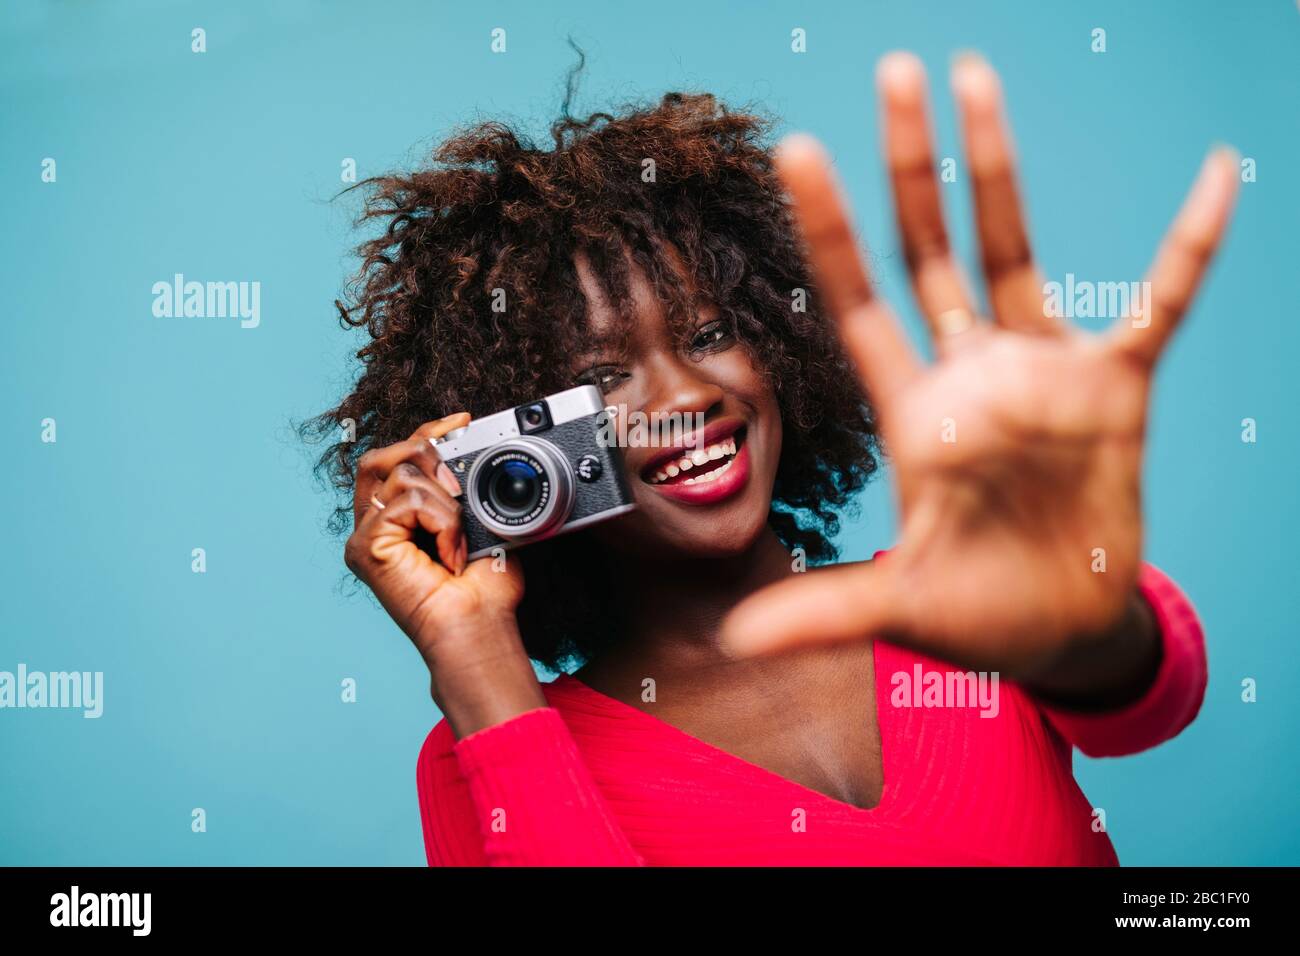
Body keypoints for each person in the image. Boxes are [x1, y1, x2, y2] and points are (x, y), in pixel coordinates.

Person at [309, 51, 1236, 865]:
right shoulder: (491, 736)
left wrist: (1088, 618)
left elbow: (1147, 704)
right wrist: (480, 667)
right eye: (603, 378)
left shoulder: (952, 598)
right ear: (512, 456)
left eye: (710, 332)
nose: (684, 398)